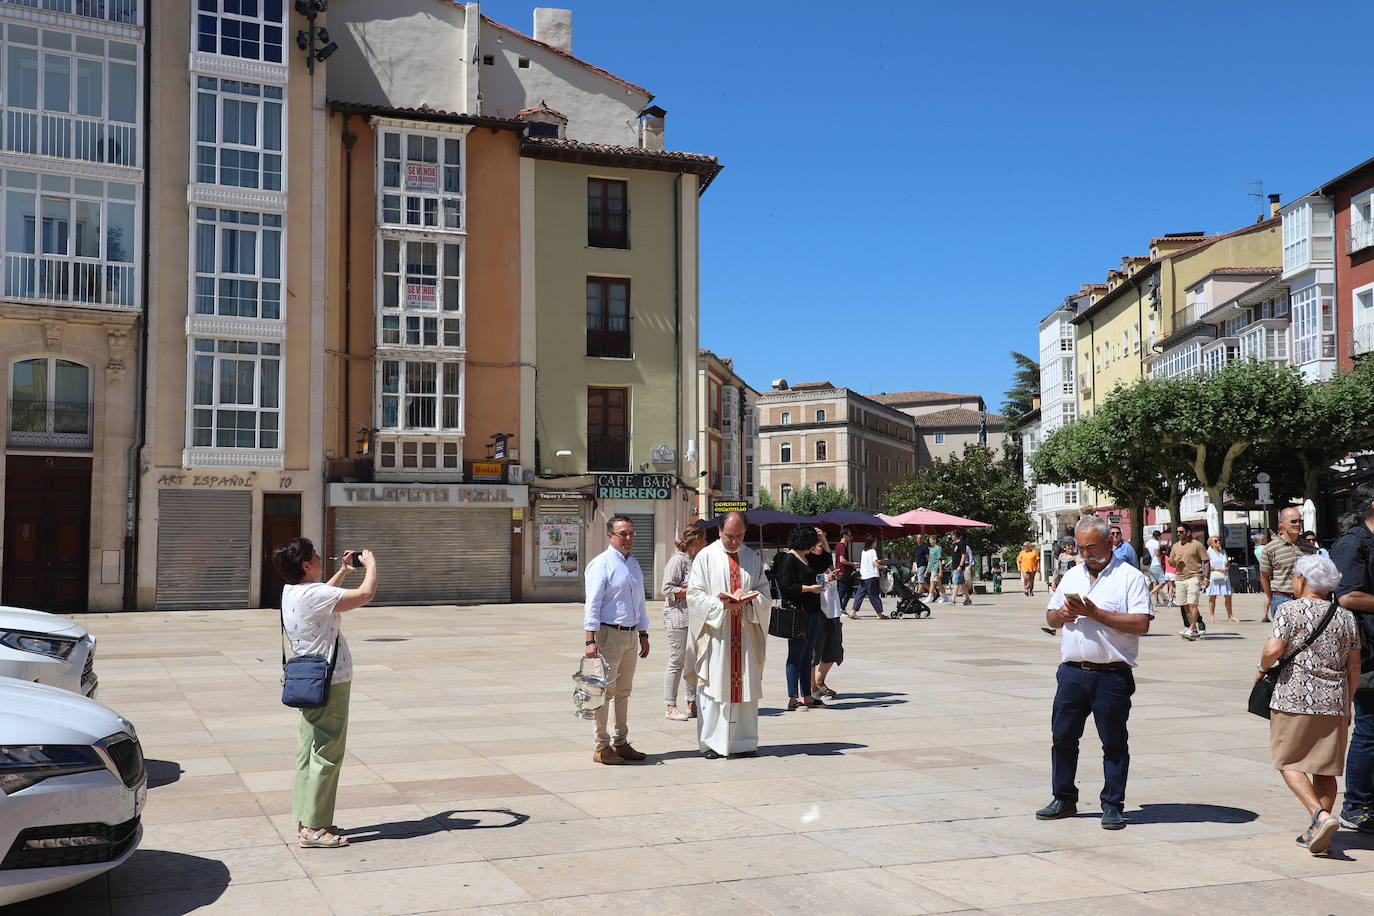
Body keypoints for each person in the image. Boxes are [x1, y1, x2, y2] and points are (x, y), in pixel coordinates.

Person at [1036, 517, 1153, 830]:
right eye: (1080, 547)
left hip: (1111, 674)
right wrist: (1060, 615)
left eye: (1091, 547)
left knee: (1113, 742)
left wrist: (1096, 613)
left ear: (1109, 543)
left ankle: (1112, 805)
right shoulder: (1071, 576)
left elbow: (1141, 623)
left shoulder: (1129, 578)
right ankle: (1063, 798)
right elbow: (1050, 616)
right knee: (1062, 737)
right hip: (1073, 673)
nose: (1085, 553)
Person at [273, 538, 377, 849]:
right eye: (316, 556)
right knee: (327, 753)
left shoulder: (292, 591)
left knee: (309, 752)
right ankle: (315, 828)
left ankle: (309, 819)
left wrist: (344, 571)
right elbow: (365, 595)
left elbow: (325, 596)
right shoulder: (314, 594)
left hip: (309, 680)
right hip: (330, 682)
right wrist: (370, 565)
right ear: (306, 565)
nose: (320, 559)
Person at [1258, 555, 1361, 855]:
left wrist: (1263, 666)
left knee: (1287, 761)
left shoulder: (1289, 609)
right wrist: (1348, 701)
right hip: (1333, 701)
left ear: (1302, 579)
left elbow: (1274, 648)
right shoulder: (1344, 616)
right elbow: (1354, 666)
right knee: (1325, 769)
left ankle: (1320, 816)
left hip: (1294, 697)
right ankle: (1321, 835)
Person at [686, 511, 768, 758]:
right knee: (714, 691)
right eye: (729, 536)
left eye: (739, 535)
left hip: (744, 634)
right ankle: (712, 744)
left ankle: (743, 743)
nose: (734, 541)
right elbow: (694, 595)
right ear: (719, 531)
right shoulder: (706, 557)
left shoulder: (752, 558)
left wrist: (752, 600)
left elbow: (765, 592)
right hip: (717, 635)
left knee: (745, 690)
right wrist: (721, 604)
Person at [583, 515, 651, 765]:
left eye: (632, 533)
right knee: (604, 692)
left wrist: (643, 634)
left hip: (631, 634)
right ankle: (601, 747)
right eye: (623, 534)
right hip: (608, 634)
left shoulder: (633, 564)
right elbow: (592, 604)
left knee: (623, 692)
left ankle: (620, 743)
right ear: (610, 536)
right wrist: (589, 639)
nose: (629, 538)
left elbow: (640, 602)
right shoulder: (601, 564)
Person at [1330, 481, 1374, 834]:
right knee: (1370, 730)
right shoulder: (1353, 542)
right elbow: (1346, 596)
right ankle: (1356, 805)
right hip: (1368, 652)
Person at [661, 525, 705, 722]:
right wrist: (692, 590)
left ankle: (691, 701)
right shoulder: (677, 560)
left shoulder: (695, 561)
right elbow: (667, 588)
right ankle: (670, 705)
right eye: (703, 540)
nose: (705, 544)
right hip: (677, 616)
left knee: (693, 660)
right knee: (676, 661)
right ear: (696, 540)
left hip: (693, 616)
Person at [1261, 507, 1318, 625]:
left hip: (1305, 599)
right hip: (1282, 599)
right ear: (1281, 523)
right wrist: (1272, 599)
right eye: (1293, 521)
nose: (1298, 524)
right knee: (1283, 640)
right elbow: (1264, 577)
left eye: (1300, 521)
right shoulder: (1271, 548)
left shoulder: (1309, 548)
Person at [811, 528, 844, 701]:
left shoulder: (827, 562)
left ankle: (820, 681)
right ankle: (812, 688)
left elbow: (827, 551)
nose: (821, 546)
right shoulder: (807, 562)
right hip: (818, 611)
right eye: (817, 544)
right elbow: (807, 580)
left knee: (834, 650)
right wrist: (825, 579)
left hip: (834, 611)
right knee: (814, 653)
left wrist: (823, 536)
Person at [1169, 525, 1208, 641]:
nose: (1179, 534)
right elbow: (1171, 563)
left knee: (1192, 604)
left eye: (1181, 532)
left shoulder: (1197, 545)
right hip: (1180, 578)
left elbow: (1206, 561)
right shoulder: (1175, 546)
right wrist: (1173, 561)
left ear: (1188, 532)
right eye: (1178, 532)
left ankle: (1191, 628)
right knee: (1185, 605)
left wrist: (1206, 578)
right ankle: (1194, 629)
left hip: (1194, 576)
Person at [851, 535, 890, 619]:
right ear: (872, 543)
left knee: (859, 594)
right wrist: (884, 567)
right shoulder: (873, 551)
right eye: (875, 542)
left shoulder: (864, 552)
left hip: (863, 576)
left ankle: (853, 612)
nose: (876, 543)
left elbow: (869, 562)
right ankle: (879, 614)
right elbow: (875, 564)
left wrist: (881, 561)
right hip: (872, 576)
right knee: (874, 595)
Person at [1204, 535, 1237, 624]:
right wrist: (1217, 569)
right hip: (1214, 575)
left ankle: (1230, 615)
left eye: (1219, 540)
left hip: (1224, 575)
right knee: (1212, 596)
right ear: (1211, 544)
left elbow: (1227, 563)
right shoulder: (1208, 552)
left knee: (1228, 596)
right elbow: (1207, 565)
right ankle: (1212, 616)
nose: (1218, 541)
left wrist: (1227, 568)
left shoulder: (1223, 552)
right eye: (1215, 541)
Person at [834, 530, 860, 617]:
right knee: (842, 592)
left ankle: (842, 608)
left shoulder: (839, 545)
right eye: (849, 535)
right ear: (844, 536)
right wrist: (852, 563)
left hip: (843, 571)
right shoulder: (842, 546)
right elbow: (841, 560)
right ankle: (838, 610)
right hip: (843, 572)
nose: (850, 537)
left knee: (848, 591)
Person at [1143, 531, 1167, 606]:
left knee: (1155, 583)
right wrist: (1162, 555)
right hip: (1156, 564)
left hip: (1149, 565)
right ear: (1158, 536)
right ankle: (1150, 593)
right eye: (1160, 537)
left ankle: (1157, 601)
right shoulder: (1156, 542)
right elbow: (1157, 553)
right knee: (1162, 582)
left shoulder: (1148, 542)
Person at [950, 530, 974, 606]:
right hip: (955, 566)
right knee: (962, 584)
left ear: (955, 536)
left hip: (958, 567)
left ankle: (952, 600)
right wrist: (949, 563)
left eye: (952, 535)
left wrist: (960, 566)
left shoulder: (962, 543)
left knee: (955, 583)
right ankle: (968, 599)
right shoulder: (955, 544)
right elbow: (955, 557)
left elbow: (963, 556)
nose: (951, 537)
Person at [927, 535, 949, 604]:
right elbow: (930, 560)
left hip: (936, 567)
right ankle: (945, 597)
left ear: (935, 540)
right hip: (932, 567)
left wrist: (940, 571)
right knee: (938, 583)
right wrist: (927, 570)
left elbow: (940, 560)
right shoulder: (931, 549)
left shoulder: (938, 548)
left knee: (932, 581)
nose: (930, 542)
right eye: (929, 540)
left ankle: (930, 597)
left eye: (931, 540)